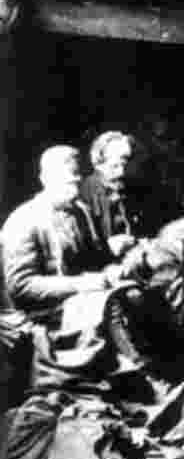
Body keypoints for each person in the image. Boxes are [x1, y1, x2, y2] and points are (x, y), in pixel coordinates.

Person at [1, 146, 173, 399]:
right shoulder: (25, 220)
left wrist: (118, 267)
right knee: (110, 304)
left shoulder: (79, 211)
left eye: (77, 175)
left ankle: (149, 371)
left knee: (137, 293)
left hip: (80, 295)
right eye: (67, 176)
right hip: (44, 307)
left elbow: (96, 259)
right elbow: (21, 288)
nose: (76, 180)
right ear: (45, 179)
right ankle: (142, 376)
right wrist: (85, 284)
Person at [80, 131, 172, 262]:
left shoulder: (130, 189)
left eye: (125, 164)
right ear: (98, 163)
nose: (121, 172)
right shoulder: (86, 193)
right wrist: (108, 247)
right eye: (115, 166)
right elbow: (86, 250)